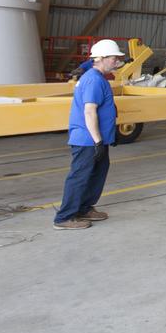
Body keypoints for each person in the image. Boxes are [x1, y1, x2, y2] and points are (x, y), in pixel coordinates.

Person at [53, 39, 126, 230]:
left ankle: (84, 208)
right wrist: (98, 141)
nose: (116, 62)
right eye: (113, 58)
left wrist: (109, 135)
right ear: (101, 59)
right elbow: (89, 111)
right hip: (88, 140)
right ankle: (64, 217)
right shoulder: (93, 79)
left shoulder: (98, 77)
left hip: (96, 139)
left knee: (97, 173)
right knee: (80, 176)